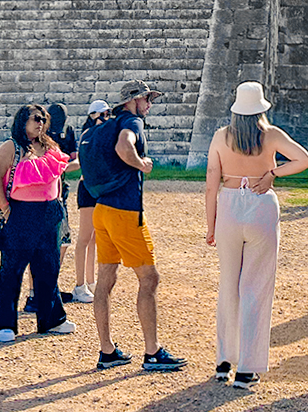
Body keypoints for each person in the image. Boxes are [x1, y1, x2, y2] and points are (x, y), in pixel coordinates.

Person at [204, 81, 308, 389]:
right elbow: (304, 159)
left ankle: (224, 361)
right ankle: (247, 368)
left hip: (228, 204)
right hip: (261, 204)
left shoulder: (220, 137)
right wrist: (272, 173)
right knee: (255, 287)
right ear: (261, 108)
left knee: (229, 285)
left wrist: (211, 226)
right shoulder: (271, 135)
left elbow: (212, 183)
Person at [89, 79, 187, 372]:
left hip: (102, 209)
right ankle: (152, 352)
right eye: (147, 99)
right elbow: (124, 145)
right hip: (124, 211)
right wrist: (140, 163)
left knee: (105, 278)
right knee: (149, 278)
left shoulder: (106, 123)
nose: (150, 104)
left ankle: (107, 351)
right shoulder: (132, 121)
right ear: (134, 100)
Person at [0, 104, 78, 342]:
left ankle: (52, 319)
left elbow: (58, 174)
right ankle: (5, 324)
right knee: (12, 269)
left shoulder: (49, 146)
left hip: (50, 211)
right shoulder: (11, 147)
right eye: (35, 118)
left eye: (43, 119)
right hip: (21, 212)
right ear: (22, 121)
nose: (40, 122)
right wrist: (6, 208)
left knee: (48, 267)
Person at [24, 102, 79, 315]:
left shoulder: (59, 135)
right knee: (53, 244)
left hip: (56, 192)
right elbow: (67, 162)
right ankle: (36, 293)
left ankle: (43, 289)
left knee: (59, 245)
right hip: (49, 195)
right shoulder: (42, 140)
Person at [69, 99, 109, 304]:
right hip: (88, 188)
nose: (105, 118)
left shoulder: (103, 134)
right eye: (102, 114)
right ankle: (79, 284)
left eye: (107, 114)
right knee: (84, 238)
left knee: (94, 237)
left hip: (99, 188)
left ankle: (91, 281)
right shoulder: (88, 136)